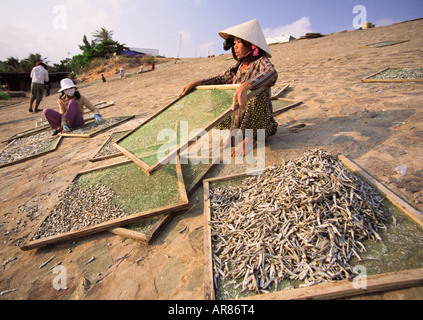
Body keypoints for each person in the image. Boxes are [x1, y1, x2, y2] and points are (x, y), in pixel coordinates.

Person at [180, 19, 278, 156]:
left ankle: (252, 138)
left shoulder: (261, 62)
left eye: (239, 42)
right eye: (234, 43)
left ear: (252, 45)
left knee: (257, 91)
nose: (235, 47)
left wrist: (246, 85)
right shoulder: (237, 67)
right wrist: (197, 83)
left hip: (259, 121)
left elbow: (271, 73)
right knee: (218, 92)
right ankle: (234, 133)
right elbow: (220, 78)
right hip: (239, 118)